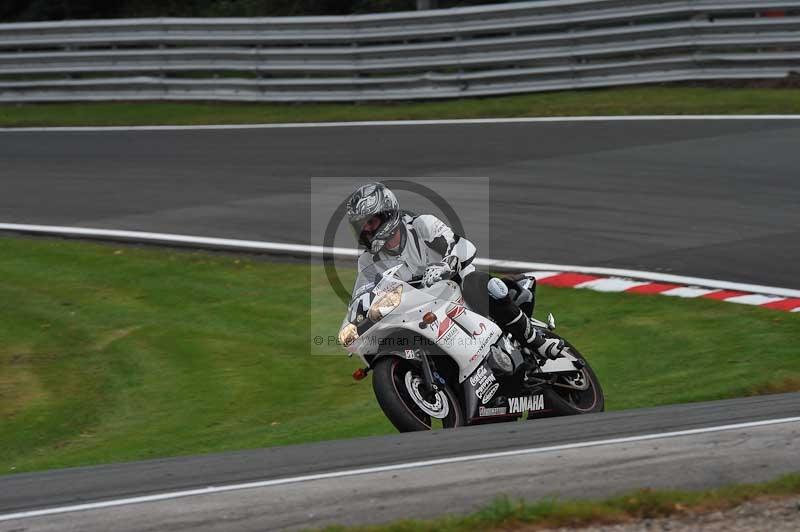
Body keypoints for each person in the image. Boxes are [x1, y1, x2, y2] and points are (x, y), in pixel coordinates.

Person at [344, 182, 564, 359]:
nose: (366, 230)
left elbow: (462, 246)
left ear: (388, 213)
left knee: (477, 282)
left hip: (459, 291)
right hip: (421, 311)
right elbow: (364, 294)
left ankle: (537, 342)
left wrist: (446, 265)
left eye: (371, 222)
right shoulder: (368, 260)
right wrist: (355, 321)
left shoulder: (421, 226)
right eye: (361, 226)